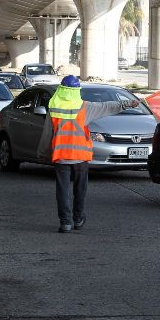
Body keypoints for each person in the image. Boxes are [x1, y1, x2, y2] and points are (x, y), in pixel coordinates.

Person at [38, 75, 140, 233]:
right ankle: (78, 219)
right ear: (76, 91)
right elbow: (107, 107)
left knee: (62, 191)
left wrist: (42, 152)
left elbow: (47, 133)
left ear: (61, 90)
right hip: (80, 156)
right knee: (80, 189)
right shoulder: (84, 107)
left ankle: (65, 223)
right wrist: (128, 103)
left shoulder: (54, 107)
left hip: (61, 155)